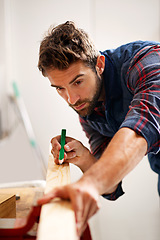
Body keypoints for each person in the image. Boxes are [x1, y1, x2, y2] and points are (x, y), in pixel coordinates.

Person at [37, 21, 160, 237]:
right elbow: (110, 185)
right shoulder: (87, 105)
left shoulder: (148, 62)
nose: (71, 99)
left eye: (77, 82)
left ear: (99, 64)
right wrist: (84, 158)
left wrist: (91, 183)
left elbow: (143, 125)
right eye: (60, 89)